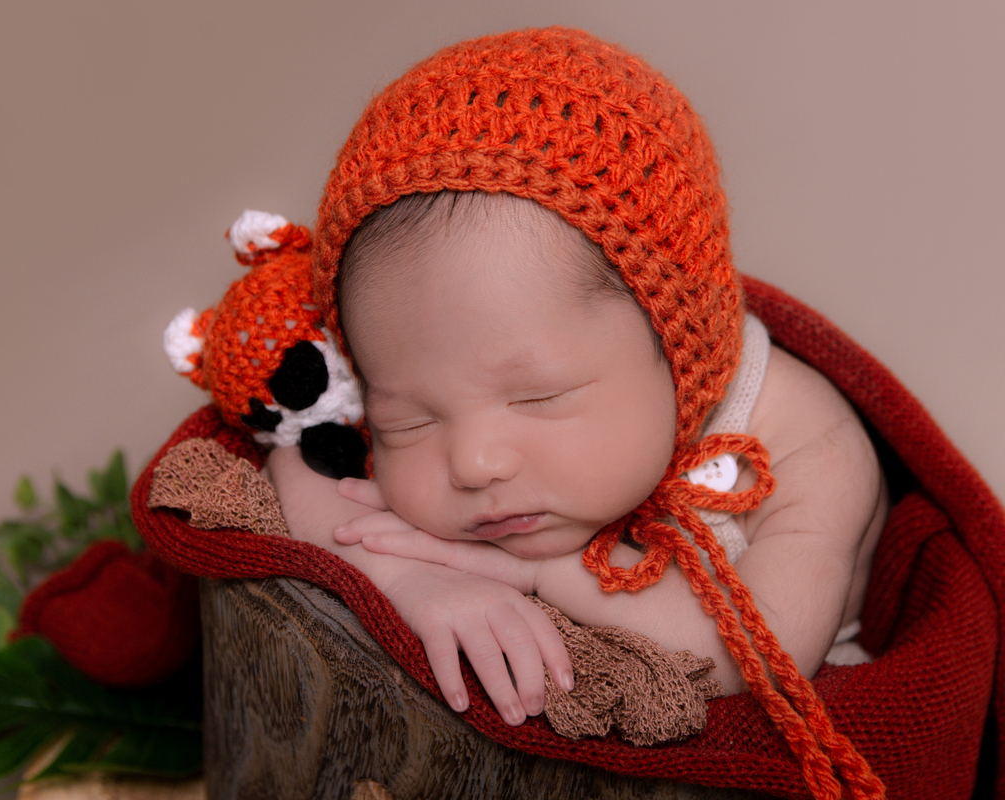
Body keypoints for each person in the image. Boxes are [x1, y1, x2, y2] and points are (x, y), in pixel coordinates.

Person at [265, 27, 887, 744]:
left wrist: (543, 575)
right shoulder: (438, 366)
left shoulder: (805, 442)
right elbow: (296, 464)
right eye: (408, 422)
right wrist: (409, 580)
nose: (473, 462)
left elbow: (762, 652)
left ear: (680, 342)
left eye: (539, 398)